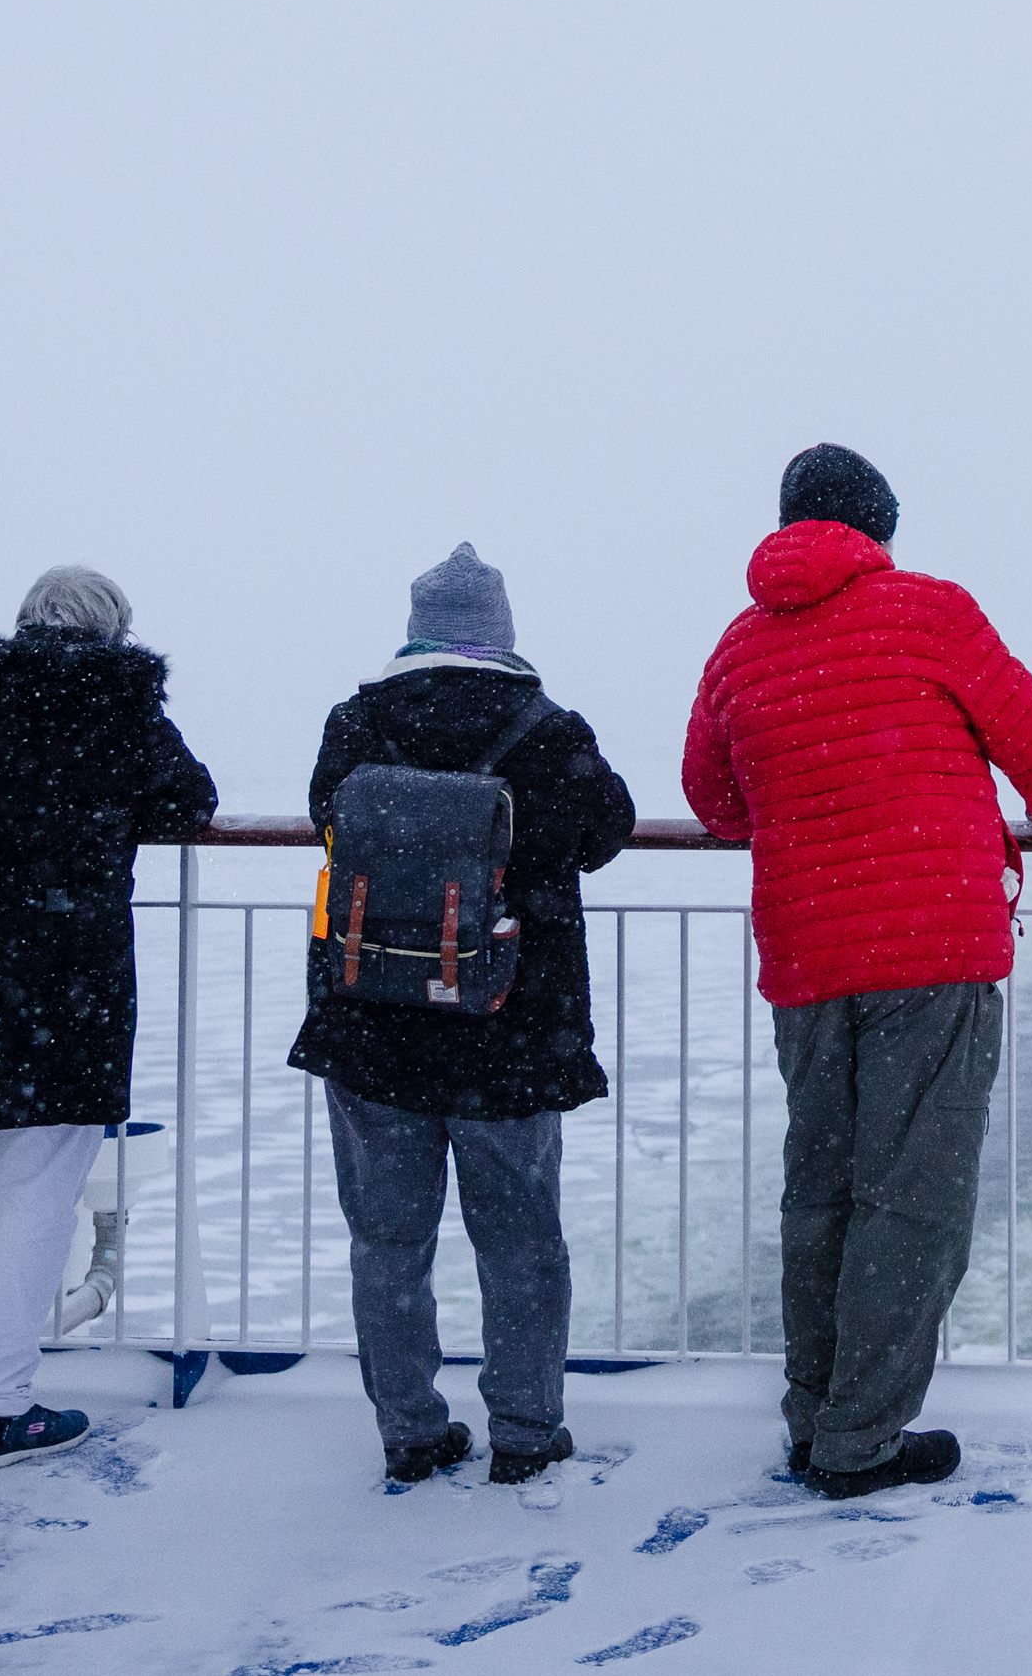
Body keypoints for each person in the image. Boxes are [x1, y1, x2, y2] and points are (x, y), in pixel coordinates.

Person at [683, 445, 1032, 1499]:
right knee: (912, 1196)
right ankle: (860, 1440)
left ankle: (815, 1418)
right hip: (929, 950)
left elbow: (714, 799)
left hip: (810, 957)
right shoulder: (930, 612)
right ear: (879, 528)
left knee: (820, 1190)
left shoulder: (739, 646)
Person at [287, 544, 634, 1490]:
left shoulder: (356, 720)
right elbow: (607, 831)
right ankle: (525, 1428)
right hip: (510, 1025)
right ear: (502, 631)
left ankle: (409, 1428)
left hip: (374, 1020)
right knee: (520, 1239)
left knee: (389, 1239)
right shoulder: (548, 728)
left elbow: (328, 812)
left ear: (415, 626)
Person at [0, 566, 218, 1471]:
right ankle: (0, 1407)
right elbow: (188, 798)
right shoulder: (118, 703)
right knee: (41, 1184)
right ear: (113, 633)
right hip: (62, 973)